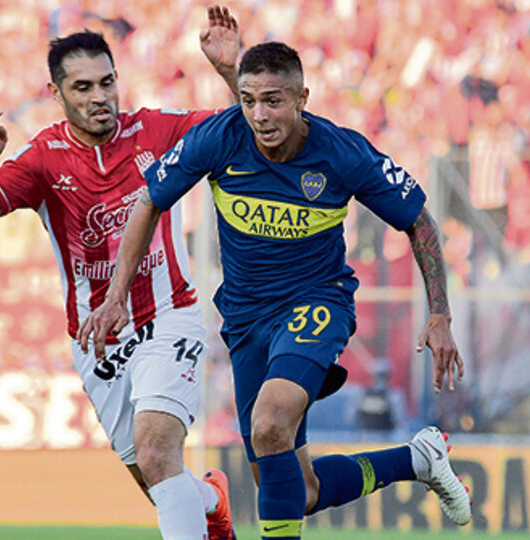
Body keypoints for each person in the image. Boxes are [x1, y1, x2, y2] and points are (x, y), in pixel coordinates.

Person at [83, 42, 471, 539]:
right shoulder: (219, 139)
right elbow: (148, 203)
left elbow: (418, 222)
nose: (259, 116)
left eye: (273, 101)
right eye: (247, 100)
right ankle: (417, 459)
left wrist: (440, 313)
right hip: (245, 321)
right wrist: (116, 295)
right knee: (292, 489)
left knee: (269, 425)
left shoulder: (341, 153)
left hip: (316, 304)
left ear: (302, 98)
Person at [0, 7, 241, 540]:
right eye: (82, 87)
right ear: (57, 94)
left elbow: (246, 127)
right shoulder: (42, 159)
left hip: (168, 313)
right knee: (156, 476)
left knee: (155, 450)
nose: (99, 96)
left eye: (107, 82)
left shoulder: (157, 129)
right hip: (96, 340)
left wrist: (229, 68)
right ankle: (210, 502)